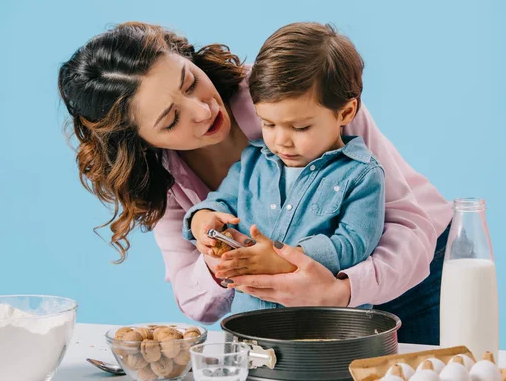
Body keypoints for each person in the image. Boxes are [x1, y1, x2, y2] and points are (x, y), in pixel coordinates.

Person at [57, 21, 452, 344]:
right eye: (171, 119)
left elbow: (407, 224)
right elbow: (196, 303)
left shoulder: (292, 93)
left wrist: (341, 291)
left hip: (417, 271)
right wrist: (217, 259)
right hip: (312, 317)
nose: (202, 109)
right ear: (141, 141)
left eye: (190, 81)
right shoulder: (161, 176)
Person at [182, 22, 386, 314]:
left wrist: (288, 258)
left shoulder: (361, 174)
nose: (281, 140)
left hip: (323, 326)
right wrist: (203, 220)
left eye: (300, 127)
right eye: (268, 124)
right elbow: (220, 202)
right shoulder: (253, 162)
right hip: (249, 321)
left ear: (345, 112)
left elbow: (354, 242)